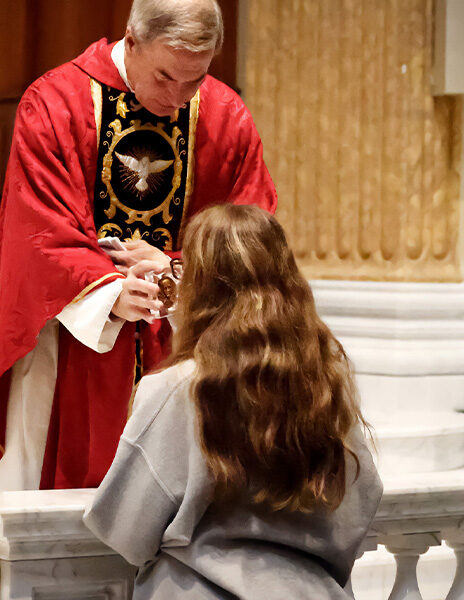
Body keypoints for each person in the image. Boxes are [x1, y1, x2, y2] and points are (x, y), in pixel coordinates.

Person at [0, 0, 277, 507]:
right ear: (131, 40)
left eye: (195, 79)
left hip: (186, 342)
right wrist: (108, 290)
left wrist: (177, 271)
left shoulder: (224, 114)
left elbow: (253, 232)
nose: (177, 99)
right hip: (76, 338)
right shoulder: (56, 102)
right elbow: (38, 228)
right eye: (165, 76)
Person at [84, 204, 383, 600]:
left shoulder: (178, 389)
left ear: (201, 288)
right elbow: (362, 500)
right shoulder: (323, 384)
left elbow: (124, 529)